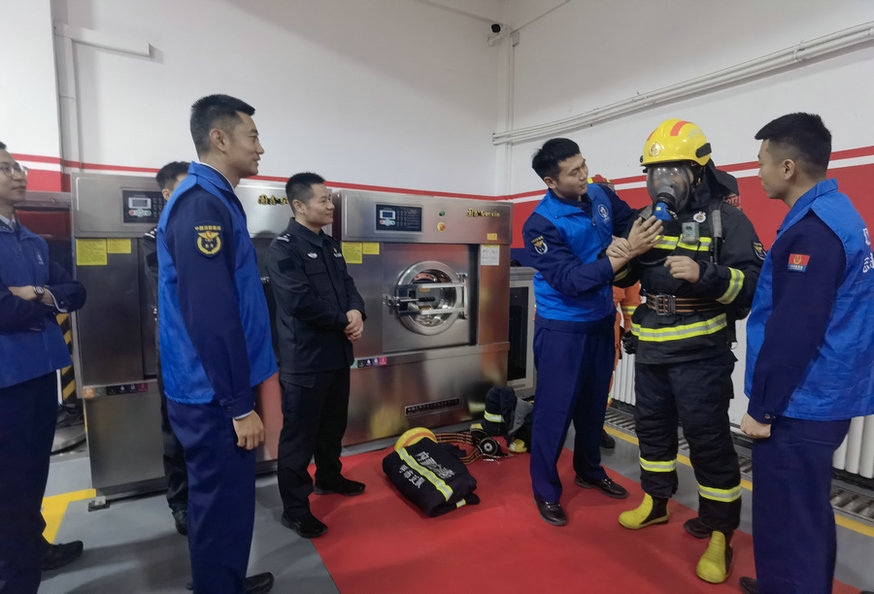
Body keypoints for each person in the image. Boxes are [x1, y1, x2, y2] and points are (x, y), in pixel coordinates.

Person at [614, 119, 764, 584]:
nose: (663, 182)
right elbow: (624, 278)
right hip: (652, 351)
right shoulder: (645, 218)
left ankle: (719, 532)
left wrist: (706, 275)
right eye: (655, 172)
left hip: (702, 355)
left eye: (673, 171)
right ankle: (656, 501)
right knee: (652, 432)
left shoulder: (727, 220)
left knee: (708, 442)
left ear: (698, 172)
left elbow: (755, 286)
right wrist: (624, 253)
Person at [738, 113, 874, 594]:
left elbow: (794, 330)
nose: (758, 172)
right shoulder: (836, 212)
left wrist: (763, 408)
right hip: (821, 393)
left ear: (788, 167)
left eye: (762, 162)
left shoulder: (813, 232)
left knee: (789, 515)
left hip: (802, 401)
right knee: (803, 510)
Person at [156, 95, 276, 594]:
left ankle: (223, 581)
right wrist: (238, 405)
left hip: (217, 386)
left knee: (227, 502)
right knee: (220, 501)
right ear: (219, 138)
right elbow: (211, 314)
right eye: (253, 137)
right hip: (212, 392)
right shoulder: (201, 204)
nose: (261, 148)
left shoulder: (217, 199)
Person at [522, 138, 662, 527]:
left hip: (602, 321)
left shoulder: (600, 194)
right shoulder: (540, 224)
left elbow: (628, 219)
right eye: (574, 172)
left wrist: (657, 215)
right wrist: (626, 251)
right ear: (551, 181)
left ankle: (589, 469)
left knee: (593, 407)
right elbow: (569, 280)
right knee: (554, 412)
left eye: (583, 165)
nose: (583, 175)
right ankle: (545, 489)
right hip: (562, 329)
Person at [0, 141, 87, 593]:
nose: (18, 174)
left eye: (18, 166)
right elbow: (2, 310)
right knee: (10, 485)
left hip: (40, 372)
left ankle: (34, 548)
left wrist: (33, 293)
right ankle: (16, 578)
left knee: (33, 473)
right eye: (5, 168)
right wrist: (45, 301)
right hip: (6, 380)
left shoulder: (31, 240)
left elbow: (76, 291)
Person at [266, 172, 366, 539]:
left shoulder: (330, 245)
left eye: (330, 199)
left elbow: (348, 285)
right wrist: (344, 321)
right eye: (323, 199)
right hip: (305, 360)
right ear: (299, 205)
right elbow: (299, 301)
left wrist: (357, 311)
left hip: (337, 354)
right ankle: (295, 509)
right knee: (299, 437)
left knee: (332, 425)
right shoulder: (283, 248)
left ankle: (329, 476)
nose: (330, 205)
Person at [142, 160, 190, 535]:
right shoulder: (154, 239)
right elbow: (174, 288)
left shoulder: (207, 234)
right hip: (176, 348)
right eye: (185, 188)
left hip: (211, 346)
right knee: (175, 426)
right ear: (167, 193)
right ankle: (181, 502)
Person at [588, 174, 642, 450]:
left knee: (604, 379)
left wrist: (631, 330)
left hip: (609, 329)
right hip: (576, 326)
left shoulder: (624, 246)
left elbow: (631, 296)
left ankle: (595, 424)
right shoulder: (579, 242)